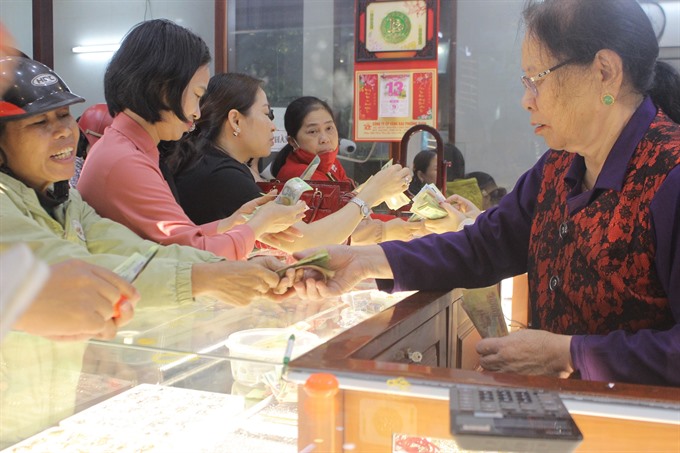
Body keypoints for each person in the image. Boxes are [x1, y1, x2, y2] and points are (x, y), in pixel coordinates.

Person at [294, 0, 680, 387]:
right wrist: (363, 262)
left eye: (537, 78)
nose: (526, 99)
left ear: (605, 72)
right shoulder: (559, 166)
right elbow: (483, 245)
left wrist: (568, 355)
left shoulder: (670, 175)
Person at [0, 55, 301, 445]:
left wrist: (226, 269)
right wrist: (212, 274)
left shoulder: (63, 198)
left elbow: (139, 252)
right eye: (39, 122)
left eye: (63, 116)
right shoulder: (119, 159)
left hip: (45, 413)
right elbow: (79, 275)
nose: (63, 132)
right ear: (162, 91)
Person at [77, 19, 306, 260]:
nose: (197, 113)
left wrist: (232, 224)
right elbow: (191, 257)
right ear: (164, 89)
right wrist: (256, 226)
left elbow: (177, 240)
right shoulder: (125, 160)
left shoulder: (128, 148)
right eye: (197, 96)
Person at [168, 78, 422, 251]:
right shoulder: (222, 176)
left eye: (329, 128)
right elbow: (304, 240)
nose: (272, 126)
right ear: (235, 120)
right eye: (267, 114)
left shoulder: (219, 166)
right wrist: (372, 194)